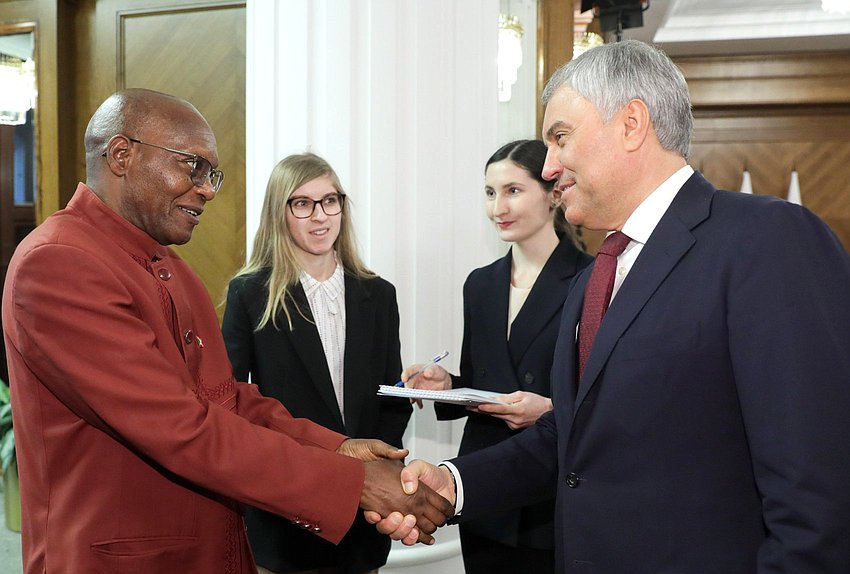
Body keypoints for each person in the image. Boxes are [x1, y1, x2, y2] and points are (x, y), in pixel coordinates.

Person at [371, 40, 850, 573]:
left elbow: (818, 488)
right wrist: (455, 484)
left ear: (631, 124)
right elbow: (572, 437)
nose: (549, 166)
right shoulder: (597, 274)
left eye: (559, 137)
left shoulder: (767, 240)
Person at [1, 88, 452, 574]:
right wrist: (352, 481)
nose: (208, 189)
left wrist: (336, 446)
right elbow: (180, 427)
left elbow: (226, 398)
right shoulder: (59, 263)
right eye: (192, 166)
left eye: (211, 173)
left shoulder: (171, 266)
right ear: (121, 155)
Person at [400, 139, 591, 574]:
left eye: (513, 191)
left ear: (553, 194)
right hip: (485, 485)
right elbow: (483, 376)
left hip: (554, 487)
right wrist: (446, 383)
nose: (497, 207)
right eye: (489, 192)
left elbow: (603, 395)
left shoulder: (591, 279)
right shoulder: (480, 284)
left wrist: (550, 410)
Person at [222, 152, 412, 574]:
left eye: (331, 200)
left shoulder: (379, 294)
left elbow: (391, 396)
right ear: (280, 213)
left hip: (363, 513)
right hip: (286, 507)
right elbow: (231, 400)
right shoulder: (250, 294)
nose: (320, 216)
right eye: (302, 204)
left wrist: (378, 474)